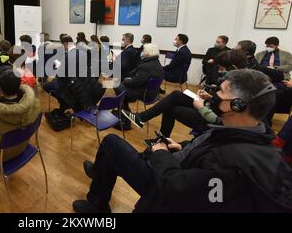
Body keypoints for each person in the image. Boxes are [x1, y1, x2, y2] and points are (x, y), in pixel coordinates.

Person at [73, 69, 292, 213]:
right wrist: (183, 146)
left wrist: (160, 155)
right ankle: (102, 168)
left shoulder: (233, 163)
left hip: (163, 184)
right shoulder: (252, 133)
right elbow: (206, 155)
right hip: (176, 163)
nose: (214, 95)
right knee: (116, 152)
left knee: (111, 142)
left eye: (221, 92)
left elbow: (177, 189)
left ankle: (97, 206)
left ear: (237, 105)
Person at [123, 49, 248, 139]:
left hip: (209, 119)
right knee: (176, 95)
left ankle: (151, 127)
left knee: (170, 107)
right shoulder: (236, 82)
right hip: (209, 106)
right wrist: (209, 97)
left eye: (221, 69)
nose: (220, 72)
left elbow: (221, 121)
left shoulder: (240, 92)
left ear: (232, 68)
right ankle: (142, 119)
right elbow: (220, 103)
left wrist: (201, 107)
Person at [114, 44, 163, 130]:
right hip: (152, 92)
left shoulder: (146, 66)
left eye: (144, 51)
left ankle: (125, 122)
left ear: (148, 53)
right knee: (123, 93)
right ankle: (121, 113)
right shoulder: (157, 63)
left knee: (119, 88)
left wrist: (125, 80)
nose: (142, 52)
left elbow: (135, 82)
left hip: (144, 93)